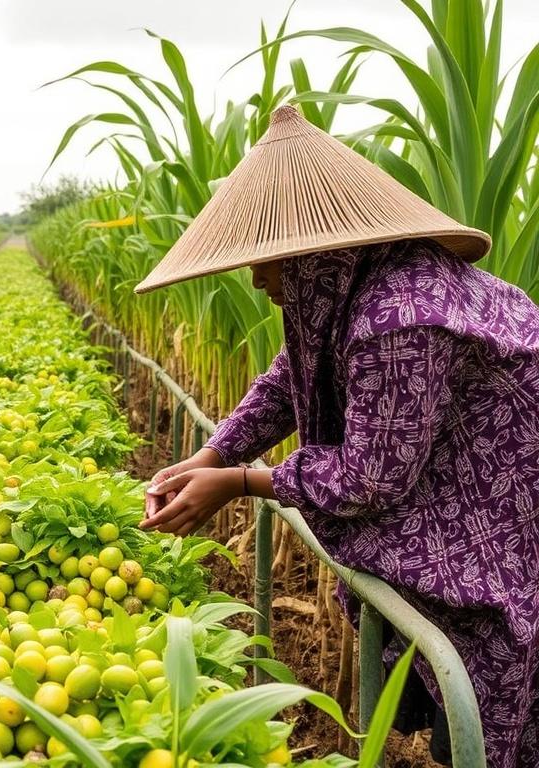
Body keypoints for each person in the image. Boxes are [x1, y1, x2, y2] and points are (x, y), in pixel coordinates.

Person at [136, 106, 538, 767]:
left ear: (314, 258)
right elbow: (287, 379)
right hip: (466, 485)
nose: (259, 283)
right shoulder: (361, 285)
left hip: (497, 507)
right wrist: (213, 453)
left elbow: (371, 479)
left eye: (268, 265)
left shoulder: (397, 314)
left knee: (486, 666)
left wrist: (238, 484)